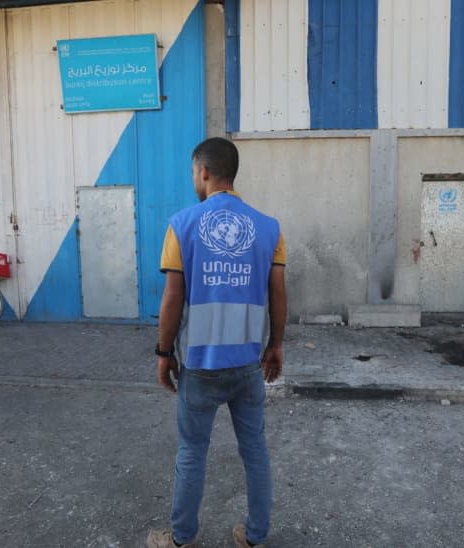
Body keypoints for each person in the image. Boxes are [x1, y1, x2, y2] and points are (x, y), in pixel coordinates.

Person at [146, 137, 287, 548]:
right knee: (255, 451)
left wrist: (162, 352)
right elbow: (278, 293)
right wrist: (275, 345)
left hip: (199, 367)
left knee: (192, 453)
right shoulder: (269, 228)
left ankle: (181, 539)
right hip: (248, 366)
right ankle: (255, 537)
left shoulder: (182, 225)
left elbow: (173, 297)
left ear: (203, 172)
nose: (195, 178)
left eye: (194, 172)